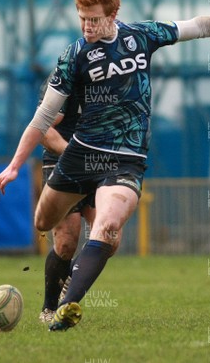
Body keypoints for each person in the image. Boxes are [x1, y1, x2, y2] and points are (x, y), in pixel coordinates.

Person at [0, 0, 210, 331]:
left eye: (94, 19)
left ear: (114, 13)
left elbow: (201, 25)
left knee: (107, 229)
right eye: (82, 19)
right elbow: (43, 120)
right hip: (77, 153)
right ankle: (54, 296)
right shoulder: (73, 57)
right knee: (52, 229)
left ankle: (65, 308)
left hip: (125, 158)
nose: (87, 27)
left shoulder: (141, 37)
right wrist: (14, 166)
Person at [36, 73, 123, 323]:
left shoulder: (119, 80)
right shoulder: (63, 80)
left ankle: (70, 286)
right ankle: (49, 308)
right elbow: (43, 130)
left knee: (110, 238)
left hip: (101, 163)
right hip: (63, 162)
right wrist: (75, 154)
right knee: (65, 241)